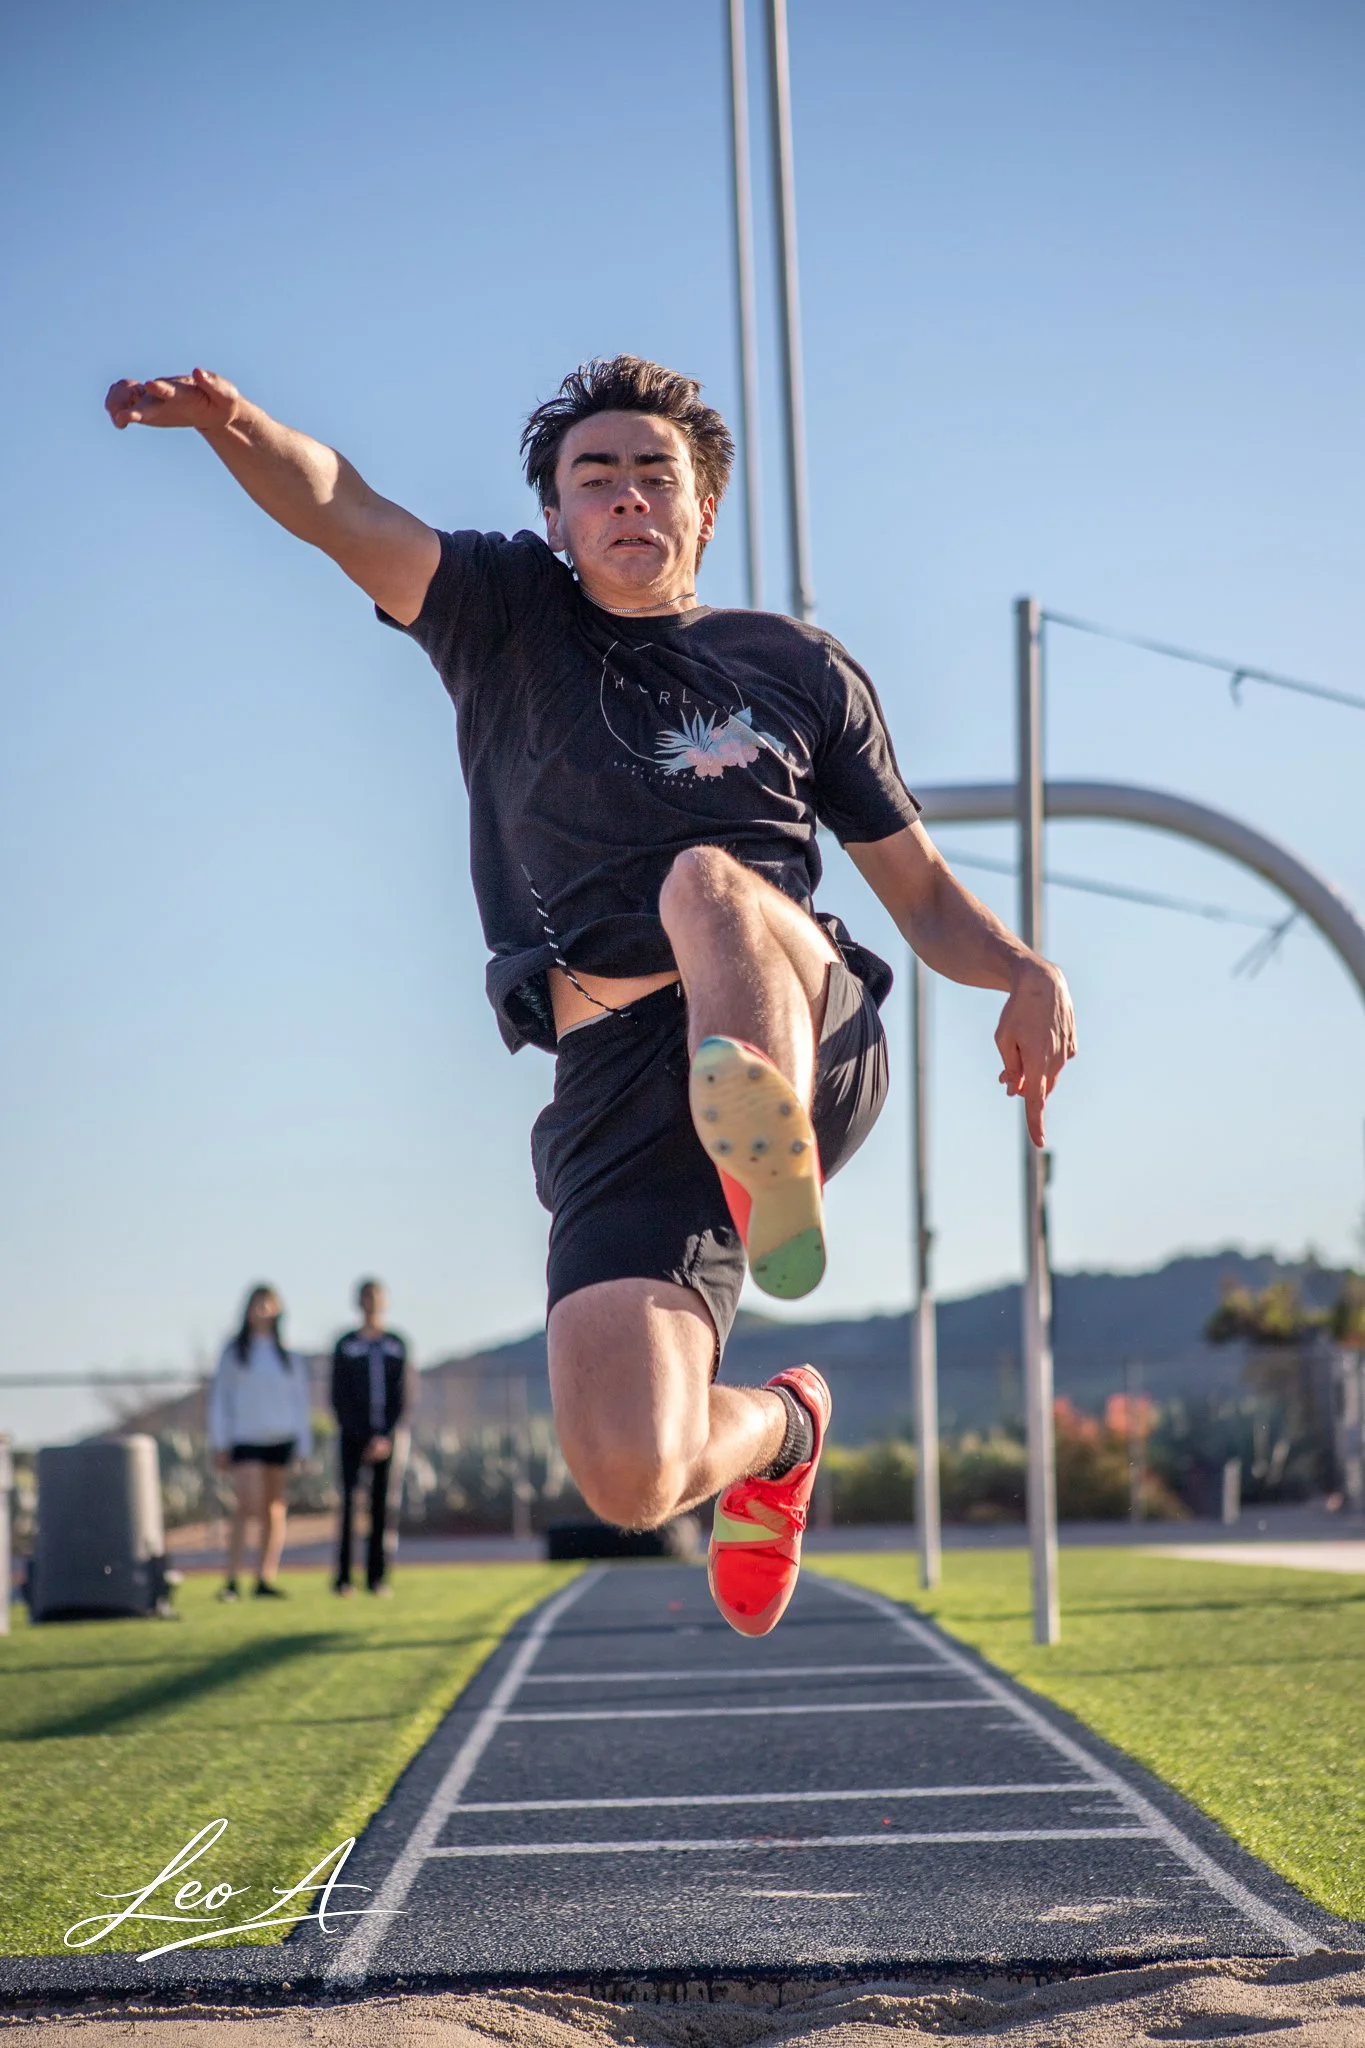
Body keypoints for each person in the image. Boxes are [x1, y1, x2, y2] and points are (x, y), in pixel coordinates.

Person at [106, 357, 1076, 1637]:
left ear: (704, 510)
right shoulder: (506, 614)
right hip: (618, 1083)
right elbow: (345, 506)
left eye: (655, 474)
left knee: (706, 883)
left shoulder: (797, 667)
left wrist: (1023, 968)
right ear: (557, 517)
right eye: (595, 477)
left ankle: (770, 1162)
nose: (627, 496)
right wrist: (234, 423)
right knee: (632, 1471)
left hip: (802, 1016)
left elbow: (925, 891)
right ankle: (784, 1428)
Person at [206, 1283, 313, 1601]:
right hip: (245, 1438)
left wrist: (302, 1446)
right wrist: (220, 1441)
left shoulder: (288, 1355)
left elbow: (300, 1402)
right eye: (257, 1304)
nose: (262, 1310)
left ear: (278, 1309)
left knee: (273, 1509)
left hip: (280, 1440)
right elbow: (220, 1399)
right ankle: (232, 1579)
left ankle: (265, 1577)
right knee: (247, 1506)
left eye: (268, 1304)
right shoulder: (234, 1352)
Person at [331, 1278, 409, 1596]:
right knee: (350, 1506)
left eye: (377, 1297)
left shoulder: (396, 1344)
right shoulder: (346, 1345)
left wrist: (384, 1435)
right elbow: (339, 1395)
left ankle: (377, 1578)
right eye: (366, 1297)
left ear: (385, 1302)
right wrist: (361, 1435)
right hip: (352, 1438)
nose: (372, 1303)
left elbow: (401, 1395)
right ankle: (344, 1578)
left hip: (386, 1440)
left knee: (381, 1508)